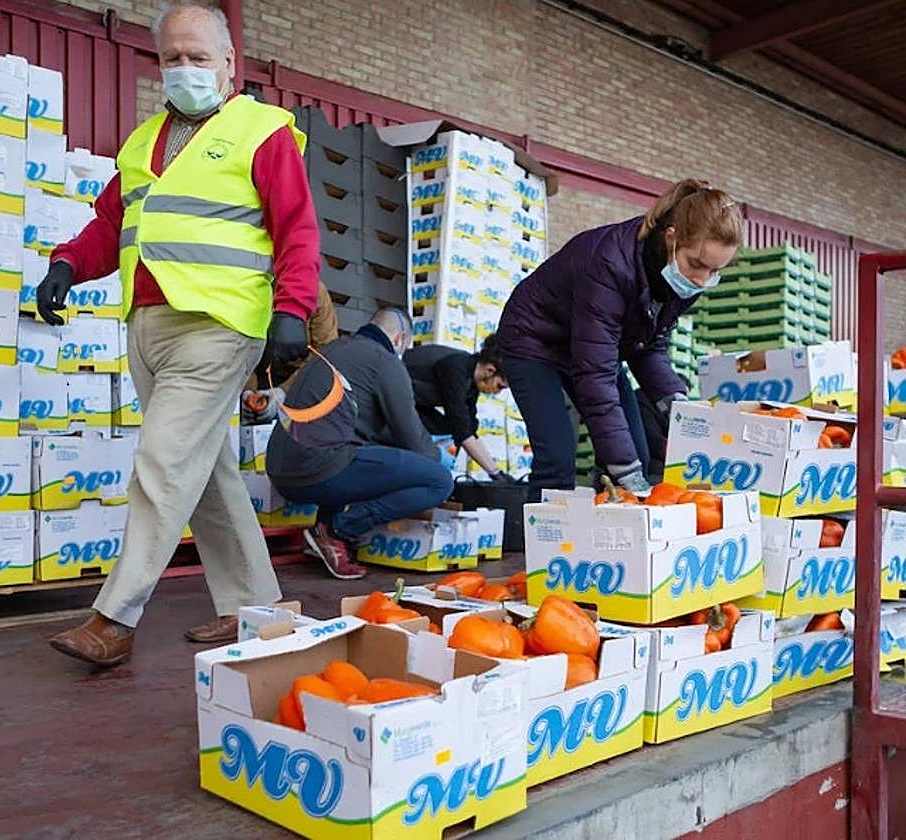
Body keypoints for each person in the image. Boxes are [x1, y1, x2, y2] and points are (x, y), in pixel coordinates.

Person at [39, 0, 319, 666]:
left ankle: (114, 618)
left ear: (229, 62)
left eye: (199, 57)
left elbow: (297, 227)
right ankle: (261, 607)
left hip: (218, 326)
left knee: (163, 465)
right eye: (172, 58)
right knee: (208, 471)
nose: (185, 69)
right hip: (148, 328)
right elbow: (112, 225)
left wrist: (293, 309)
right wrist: (66, 265)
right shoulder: (142, 144)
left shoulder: (261, 131)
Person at [495, 179, 742, 500]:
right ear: (671, 238)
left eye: (714, 271)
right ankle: (541, 545)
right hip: (534, 338)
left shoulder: (684, 278)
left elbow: (648, 345)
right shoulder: (610, 263)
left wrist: (674, 403)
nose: (701, 279)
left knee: (635, 449)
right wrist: (623, 468)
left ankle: (609, 543)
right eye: (697, 264)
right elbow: (595, 376)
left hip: (591, 344)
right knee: (558, 457)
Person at [266, 308, 454, 580]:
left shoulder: (335, 349)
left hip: (280, 471)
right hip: (318, 470)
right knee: (438, 481)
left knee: (353, 449)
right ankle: (336, 530)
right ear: (400, 339)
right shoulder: (385, 361)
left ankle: (323, 533)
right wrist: (438, 457)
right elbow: (413, 438)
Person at [403, 335, 509, 479]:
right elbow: (460, 426)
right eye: (499, 386)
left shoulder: (471, 383)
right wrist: (494, 473)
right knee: (450, 430)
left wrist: (497, 472)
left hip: (414, 401)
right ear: (490, 370)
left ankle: (437, 475)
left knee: (448, 431)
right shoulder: (456, 367)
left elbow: (469, 427)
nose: (497, 392)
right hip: (392, 394)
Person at [241, 279, 338, 424]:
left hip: (303, 380)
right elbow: (244, 345)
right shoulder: (251, 287)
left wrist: (284, 391)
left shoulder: (316, 292)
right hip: (257, 374)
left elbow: (325, 352)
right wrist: (247, 391)